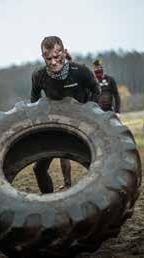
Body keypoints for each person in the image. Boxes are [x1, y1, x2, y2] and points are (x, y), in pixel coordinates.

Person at [31, 36, 100, 193]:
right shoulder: (38, 75)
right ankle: (49, 201)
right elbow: (34, 101)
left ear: (64, 52)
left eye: (57, 56)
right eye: (48, 58)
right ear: (43, 57)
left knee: (97, 165)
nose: (53, 62)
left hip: (82, 126)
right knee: (39, 168)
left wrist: (91, 111)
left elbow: (96, 90)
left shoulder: (80, 71)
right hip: (55, 127)